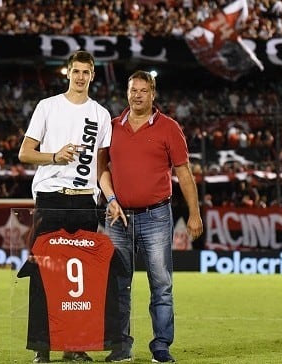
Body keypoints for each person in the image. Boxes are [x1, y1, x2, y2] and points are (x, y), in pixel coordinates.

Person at [99, 70, 203, 363]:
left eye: (144, 90)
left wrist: (194, 214)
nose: (138, 95)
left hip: (156, 215)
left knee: (161, 283)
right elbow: (101, 170)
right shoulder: (111, 127)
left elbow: (184, 173)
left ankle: (161, 346)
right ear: (127, 92)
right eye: (133, 90)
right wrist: (110, 199)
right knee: (119, 283)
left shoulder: (169, 127)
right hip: (117, 218)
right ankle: (121, 347)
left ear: (153, 94)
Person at [17, 50, 112, 363]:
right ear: (67, 73)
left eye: (86, 72)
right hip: (51, 197)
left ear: (93, 75)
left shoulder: (101, 115)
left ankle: (75, 346)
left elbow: (102, 167)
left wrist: (109, 197)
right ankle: (42, 347)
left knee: (83, 278)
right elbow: (25, 153)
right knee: (42, 273)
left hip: (85, 200)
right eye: (76, 71)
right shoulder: (48, 107)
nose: (81, 77)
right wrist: (55, 157)